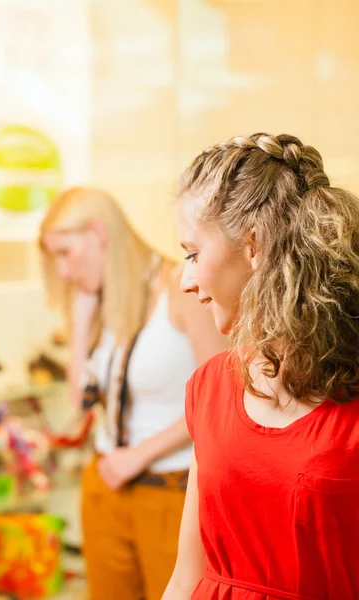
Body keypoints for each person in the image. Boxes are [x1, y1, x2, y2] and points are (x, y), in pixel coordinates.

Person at [164, 133, 359, 600]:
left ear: (252, 246)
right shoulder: (210, 387)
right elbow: (186, 574)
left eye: (193, 253)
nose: (186, 279)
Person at [39, 186, 224, 600]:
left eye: (66, 253)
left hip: (169, 487)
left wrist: (140, 455)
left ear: (99, 234)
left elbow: (219, 402)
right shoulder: (108, 298)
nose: (64, 271)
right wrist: (82, 322)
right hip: (106, 484)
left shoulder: (181, 287)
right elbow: (79, 401)